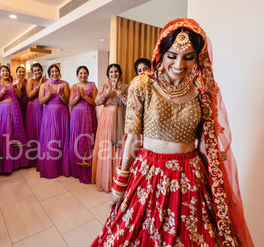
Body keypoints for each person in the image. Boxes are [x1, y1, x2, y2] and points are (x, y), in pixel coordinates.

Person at [92, 18, 254, 246]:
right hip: (148, 173)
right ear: (160, 52)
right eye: (172, 56)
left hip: (190, 177)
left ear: (198, 57)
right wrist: (119, 185)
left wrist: (218, 186)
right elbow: (132, 140)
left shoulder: (203, 92)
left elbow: (205, 145)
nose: (179, 64)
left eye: (189, 57)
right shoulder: (142, 85)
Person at [92, 64, 128, 192]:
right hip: (106, 119)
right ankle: (105, 180)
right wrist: (108, 91)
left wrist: (118, 91)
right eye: (111, 72)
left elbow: (128, 103)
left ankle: (117, 180)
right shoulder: (103, 87)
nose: (114, 74)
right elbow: (97, 102)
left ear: (120, 73)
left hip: (119, 118)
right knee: (106, 146)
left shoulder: (125, 87)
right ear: (108, 75)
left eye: (116, 71)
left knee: (117, 146)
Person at [0, 65, 29, 174]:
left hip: (15, 108)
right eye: (3, 71)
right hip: (3, 109)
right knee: (5, 133)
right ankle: (6, 164)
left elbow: (19, 95)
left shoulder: (13, 82)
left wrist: (17, 86)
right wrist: (4, 89)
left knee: (15, 132)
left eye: (6, 71)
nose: (5, 72)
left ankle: (17, 163)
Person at [37, 64, 70, 178]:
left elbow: (66, 101)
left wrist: (61, 95)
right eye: (52, 72)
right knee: (51, 138)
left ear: (59, 72)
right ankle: (51, 166)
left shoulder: (65, 84)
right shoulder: (44, 85)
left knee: (61, 137)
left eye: (56, 71)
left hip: (62, 113)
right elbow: (41, 101)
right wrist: (49, 95)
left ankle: (62, 166)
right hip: (49, 114)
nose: (54, 73)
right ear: (49, 73)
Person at [68, 66, 98, 184]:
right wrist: (78, 97)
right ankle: (76, 170)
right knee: (76, 139)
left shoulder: (92, 85)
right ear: (77, 75)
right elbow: (70, 103)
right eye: (80, 73)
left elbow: (95, 102)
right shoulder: (74, 87)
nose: (83, 75)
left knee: (88, 139)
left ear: (88, 74)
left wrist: (85, 97)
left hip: (89, 116)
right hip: (77, 116)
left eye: (85, 73)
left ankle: (87, 170)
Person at [25, 63, 46, 166]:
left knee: (43, 130)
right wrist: (39, 85)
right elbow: (29, 95)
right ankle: (33, 158)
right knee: (34, 130)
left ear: (42, 70)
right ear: (33, 72)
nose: (37, 72)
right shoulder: (30, 81)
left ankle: (42, 156)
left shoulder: (46, 81)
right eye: (35, 71)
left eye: (39, 70)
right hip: (33, 107)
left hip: (44, 107)